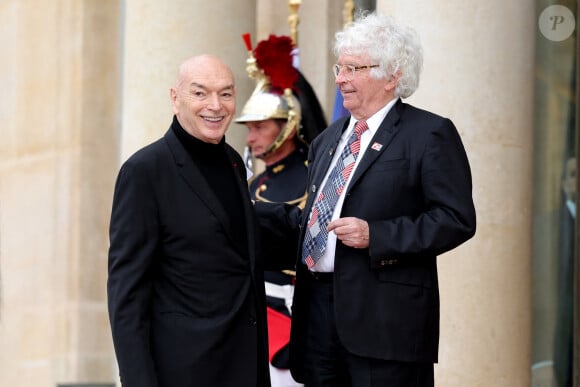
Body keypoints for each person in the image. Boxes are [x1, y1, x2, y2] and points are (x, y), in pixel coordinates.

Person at [255, 12, 477, 387]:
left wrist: (377, 235)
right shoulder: (327, 140)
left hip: (386, 327)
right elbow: (314, 223)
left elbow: (455, 219)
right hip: (317, 318)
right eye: (340, 67)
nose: (341, 78)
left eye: (354, 68)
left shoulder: (429, 134)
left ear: (393, 76)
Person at [107, 54, 271, 387]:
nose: (216, 105)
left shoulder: (233, 163)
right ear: (175, 98)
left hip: (244, 368)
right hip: (183, 372)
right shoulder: (145, 172)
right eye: (200, 93)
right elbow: (127, 295)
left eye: (226, 93)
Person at [235, 34, 327, 387]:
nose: (250, 138)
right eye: (250, 128)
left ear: (288, 125)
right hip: (256, 318)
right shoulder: (256, 184)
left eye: (260, 127)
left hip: (296, 317)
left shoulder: (311, 179)